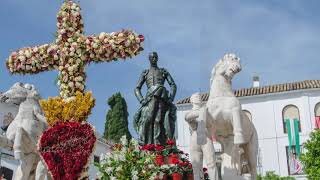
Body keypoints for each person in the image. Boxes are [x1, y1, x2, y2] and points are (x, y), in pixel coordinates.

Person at [133, 52, 177, 145]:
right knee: (148, 118)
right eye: (152, 57)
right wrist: (141, 100)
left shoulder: (163, 71)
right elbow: (137, 88)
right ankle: (144, 140)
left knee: (159, 120)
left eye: (155, 57)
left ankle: (158, 143)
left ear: (157, 58)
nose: (154, 59)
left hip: (162, 97)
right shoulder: (145, 73)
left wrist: (171, 98)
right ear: (149, 59)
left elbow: (173, 85)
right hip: (150, 98)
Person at [185, 92, 218, 180]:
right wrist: (202, 111)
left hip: (205, 135)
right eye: (196, 97)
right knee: (196, 166)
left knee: (211, 163)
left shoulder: (207, 111)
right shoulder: (190, 113)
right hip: (195, 137)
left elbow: (212, 124)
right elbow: (188, 118)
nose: (198, 97)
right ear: (191, 101)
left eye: (199, 97)